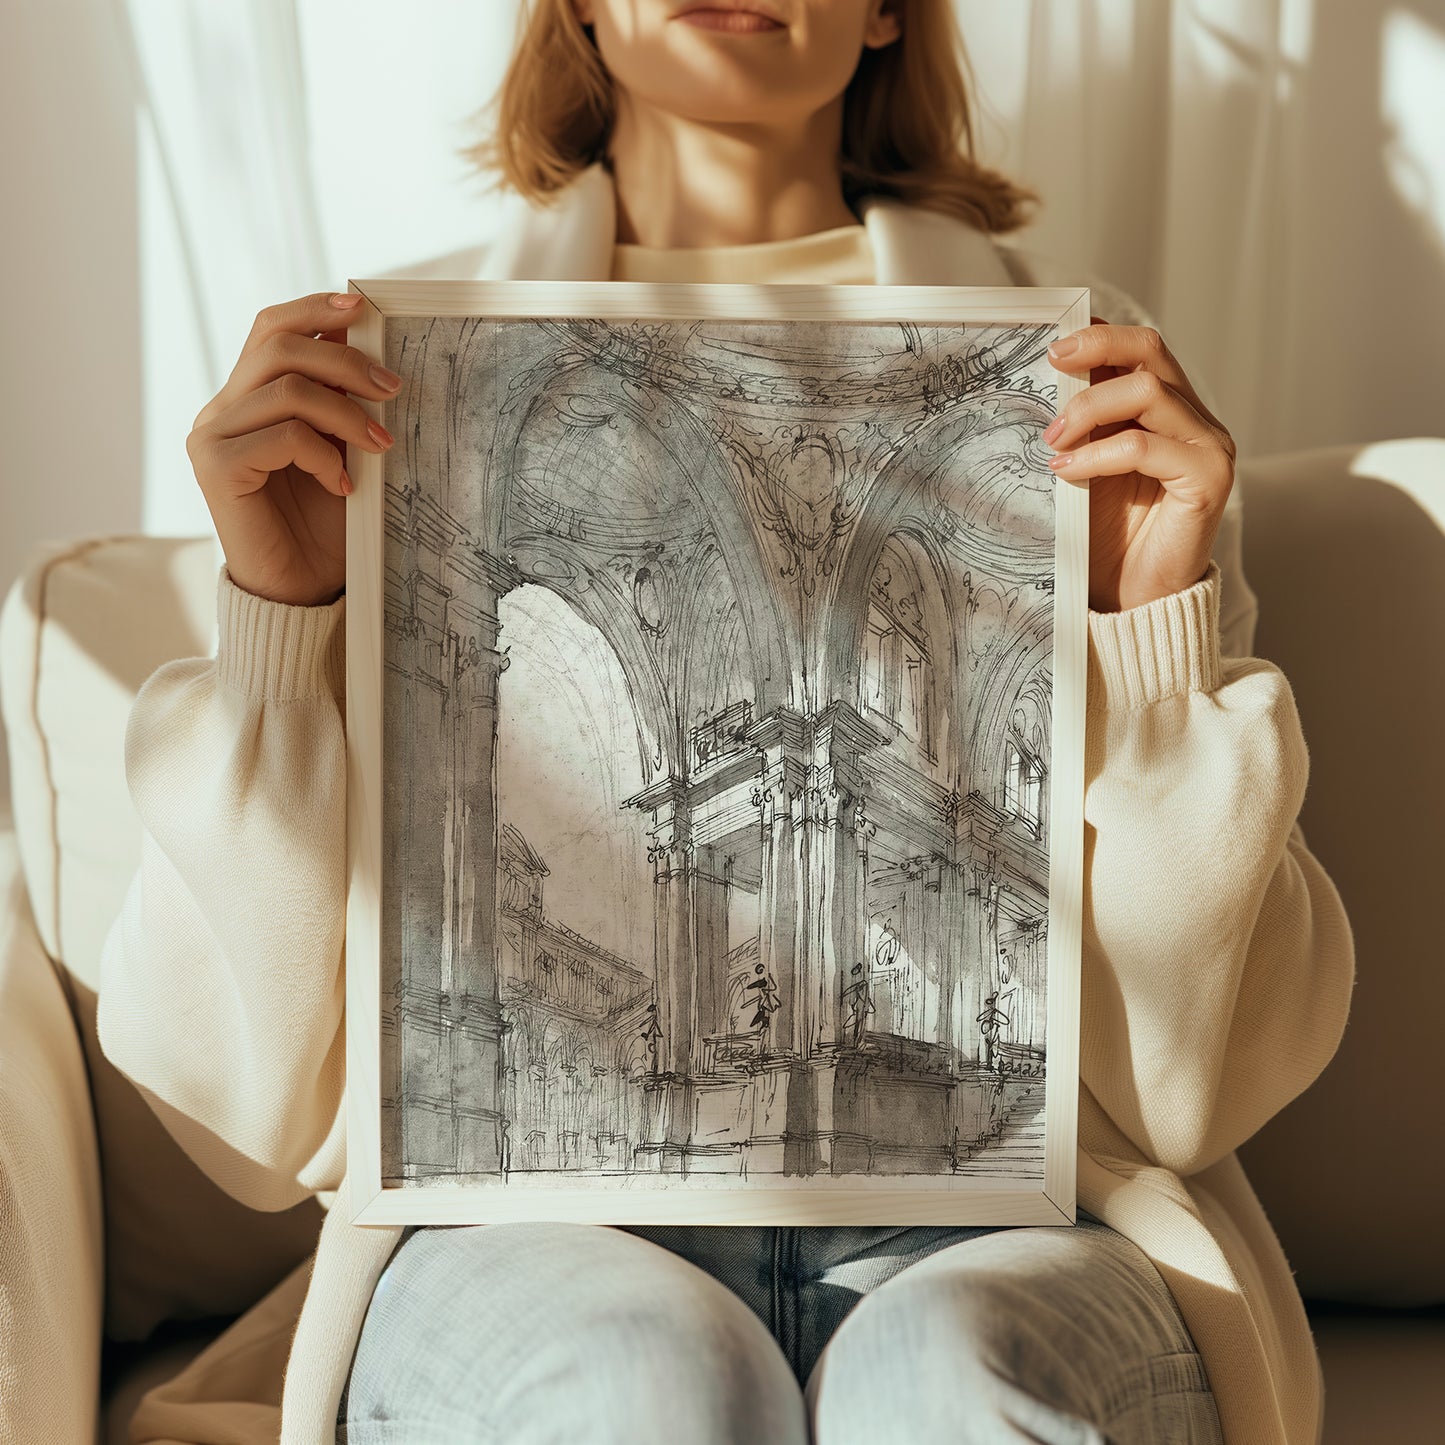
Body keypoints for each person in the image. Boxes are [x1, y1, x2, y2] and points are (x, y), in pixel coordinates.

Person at [96, 2, 1356, 1443]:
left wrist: (1154, 635)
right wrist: (281, 624)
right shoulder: (375, 372)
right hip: (522, 1241)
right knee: (640, 1385)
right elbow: (244, 1113)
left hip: (1025, 1222)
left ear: (886, 8)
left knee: (942, 1374)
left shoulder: (1089, 373)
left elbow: (1202, 1093)